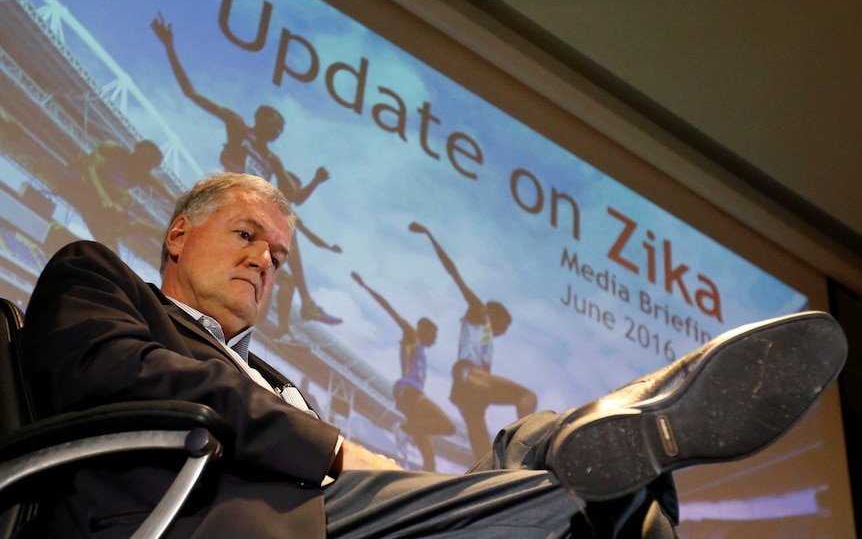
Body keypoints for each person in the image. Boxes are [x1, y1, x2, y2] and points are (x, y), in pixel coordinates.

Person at [22, 172, 847, 538]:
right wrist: (333, 446)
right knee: (552, 502)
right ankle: (570, 455)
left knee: (561, 509)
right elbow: (129, 374)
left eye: (278, 257)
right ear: (178, 234)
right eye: (247, 236)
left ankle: (581, 459)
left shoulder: (277, 378)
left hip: (314, 510)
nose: (264, 263)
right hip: (211, 519)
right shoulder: (97, 276)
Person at [151, 14, 341, 336]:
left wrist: (316, 182)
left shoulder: (273, 159)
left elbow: (293, 198)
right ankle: (305, 300)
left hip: (254, 206)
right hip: (230, 201)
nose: (277, 131)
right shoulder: (239, 126)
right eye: (274, 125)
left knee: (283, 237)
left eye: (280, 129)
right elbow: (191, 93)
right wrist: (169, 46)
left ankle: (303, 304)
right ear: (261, 119)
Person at [408, 221, 538, 460]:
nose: (503, 332)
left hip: (467, 389)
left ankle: (486, 480)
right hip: (469, 376)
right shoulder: (479, 313)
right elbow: (454, 273)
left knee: (481, 452)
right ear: (496, 316)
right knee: (526, 396)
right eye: (504, 326)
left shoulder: (485, 338)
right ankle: (520, 449)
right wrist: (430, 235)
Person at [351, 271, 456, 471]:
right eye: (433, 335)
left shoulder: (422, 351)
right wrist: (364, 285)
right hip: (409, 391)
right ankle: (405, 428)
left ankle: (408, 431)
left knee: (430, 462)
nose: (434, 340)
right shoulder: (412, 336)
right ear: (424, 330)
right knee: (448, 426)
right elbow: (390, 309)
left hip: (412, 400)